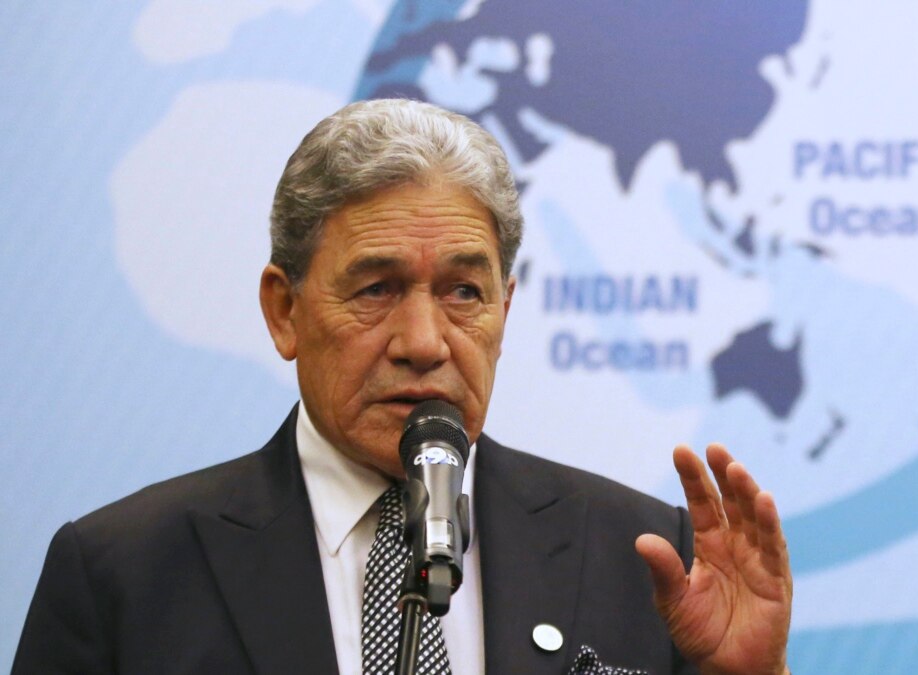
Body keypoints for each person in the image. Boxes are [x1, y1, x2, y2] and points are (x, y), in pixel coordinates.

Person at [13, 99, 792, 674]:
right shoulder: (124, 574)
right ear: (284, 310)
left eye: (463, 292)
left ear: (505, 309)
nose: (424, 342)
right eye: (376, 288)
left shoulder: (644, 556)